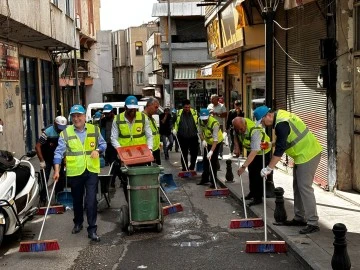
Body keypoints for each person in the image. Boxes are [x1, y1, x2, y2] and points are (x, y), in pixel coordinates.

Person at [254, 105, 322, 234]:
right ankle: (299, 218)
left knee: (304, 187)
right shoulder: (280, 116)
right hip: (302, 154)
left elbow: (280, 150)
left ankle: (313, 222)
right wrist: (270, 144)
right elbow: (283, 140)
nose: (263, 124)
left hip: (308, 154)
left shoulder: (281, 124)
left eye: (262, 121)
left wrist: (269, 168)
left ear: (268, 116)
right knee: (297, 186)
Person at [53, 104, 107, 242]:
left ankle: (92, 229)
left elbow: (103, 144)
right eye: (74, 116)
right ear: (71, 118)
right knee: (77, 201)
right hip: (75, 171)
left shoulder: (94, 130)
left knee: (91, 201)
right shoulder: (65, 133)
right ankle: (78, 223)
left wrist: (98, 150)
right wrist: (57, 171)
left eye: (79, 116)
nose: (77, 119)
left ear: (84, 117)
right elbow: (58, 153)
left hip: (91, 171)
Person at [111, 95, 153, 202]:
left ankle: (142, 202)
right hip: (125, 157)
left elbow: (149, 136)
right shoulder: (118, 119)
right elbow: (113, 138)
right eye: (130, 108)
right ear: (125, 107)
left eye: (134, 108)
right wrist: (120, 152)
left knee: (142, 180)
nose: (132, 111)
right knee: (127, 182)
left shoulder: (143, 118)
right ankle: (131, 204)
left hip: (141, 156)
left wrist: (150, 150)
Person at [232, 117, 273, 206]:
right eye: (238, 129)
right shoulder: (238, 127)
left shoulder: (255, 131)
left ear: (245, 124)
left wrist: (243, 167)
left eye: (242, 129)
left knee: (258, 175)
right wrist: (237, 147)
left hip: (262, 152)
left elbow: (255, 151)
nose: (240, 131)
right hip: (252, 150)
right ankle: (252, 193)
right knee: (251, 172)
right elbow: (235, 134)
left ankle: (258, 198)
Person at [35, 116, 67, 204]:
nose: (61, 130)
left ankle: (58, 197)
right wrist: (41, 161)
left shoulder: (65, 131)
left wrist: (66, 158)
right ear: (55, 124)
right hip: (47, 157)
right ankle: (43, 199)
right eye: (59, 127)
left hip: (58, 157)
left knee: (60, 177)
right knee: (44, 177)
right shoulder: (47, 132)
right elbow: (37, 146)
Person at [197, 108, 223, 188]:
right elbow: (200, 132)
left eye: (206, 119)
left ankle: (213, 181)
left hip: (217, 142)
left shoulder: (215, 123)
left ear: (209, 116)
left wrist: (211, 152)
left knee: (213, 161)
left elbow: (215, 140)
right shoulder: (200, 120)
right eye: (203, 119)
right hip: (207, 141)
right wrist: (203, 140)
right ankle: (205, 179)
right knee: (205, 160)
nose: (204, 121)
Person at [172, 99, 199, 172]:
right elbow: (172, 122)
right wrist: (173, 129)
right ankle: (185, 168)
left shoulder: (195, 112)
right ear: (183, 107)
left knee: (194, 153)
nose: (187, 109)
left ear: (190, 106)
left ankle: (192, 167)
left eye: (188, 107)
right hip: (182, 137)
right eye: (185, 107)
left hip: (193, 136)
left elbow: (200, 122)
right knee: (184, 153)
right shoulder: (178, 113)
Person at [99, 104, 118, 187]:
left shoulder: (116, 119)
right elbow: (101, 133)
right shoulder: (103, 121)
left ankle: (115, 179)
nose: (106, 115)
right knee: (110, 163)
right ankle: (111, 180)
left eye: (108, 113)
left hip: (116, 144)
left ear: (112, 112)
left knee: (116, 163)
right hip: (107, 145)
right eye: (105, 113)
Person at [207, 94, 227, 159]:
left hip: (218, 125)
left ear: (217, 100)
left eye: (212, 99)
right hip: (210, 125)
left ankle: (220, 153)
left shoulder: (222, 106)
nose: (211, 100)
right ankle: (212, 151)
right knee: (211, 139)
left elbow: (225, 115)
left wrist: (217, 114)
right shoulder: (209, 105)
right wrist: (209, 113)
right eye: (211, 99)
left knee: (219, 139)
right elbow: (206, 114)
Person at [143, 97, 161, 165]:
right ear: (149, 105)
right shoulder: (143, 118)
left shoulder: (151, 118)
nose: (157, 110)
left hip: (156, 150)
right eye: (155, 107)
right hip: (148, 151)